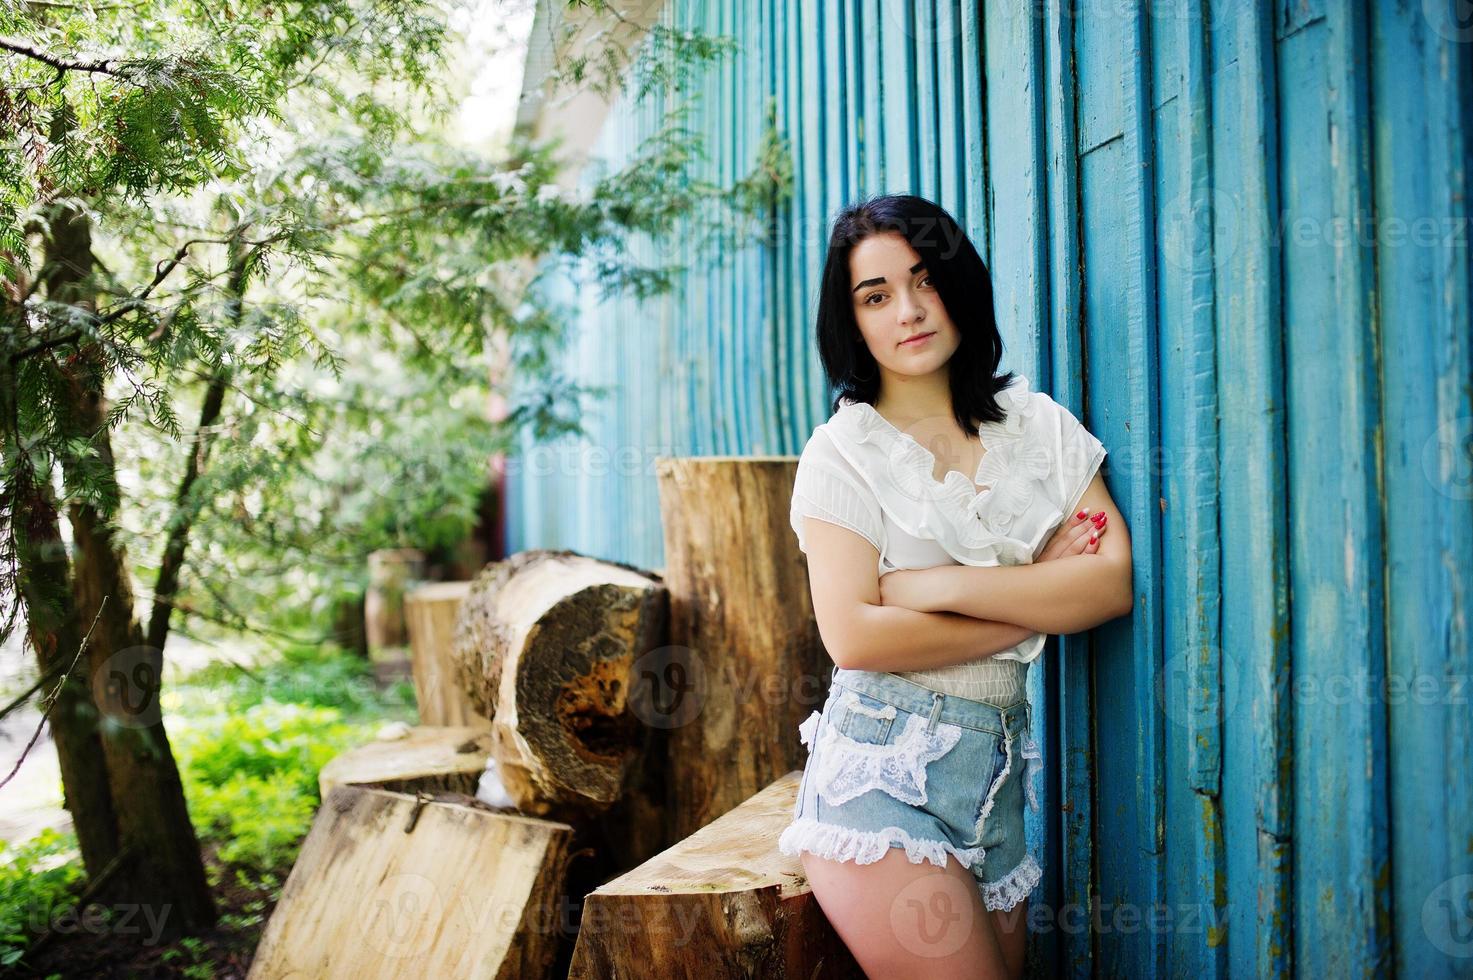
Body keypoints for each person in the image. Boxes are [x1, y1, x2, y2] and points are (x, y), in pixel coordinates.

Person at [777, 194, 1134, 979]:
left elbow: (1107, 583)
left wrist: (928, 585)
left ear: (958, 285)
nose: (907, 310)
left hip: (998, 782)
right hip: (881, 777)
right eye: (875, 296)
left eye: (924, 281)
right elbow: (857, 637)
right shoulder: (842, 452)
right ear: (852, 321)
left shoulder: (1035, 425)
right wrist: (1033, 591)